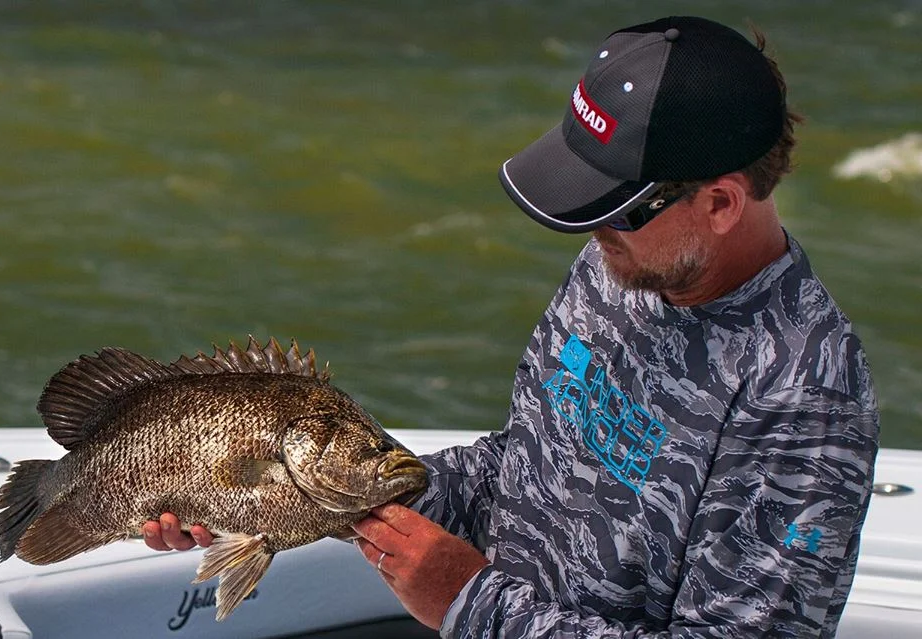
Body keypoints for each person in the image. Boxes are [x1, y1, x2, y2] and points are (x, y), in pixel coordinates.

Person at [144, 16, 879, 638]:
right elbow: (527, 467)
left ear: (720, 204)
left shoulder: (805, 396)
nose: (592, 237)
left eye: (613, 209)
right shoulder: (629, 261)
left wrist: (473, 602)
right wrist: (301, 490)